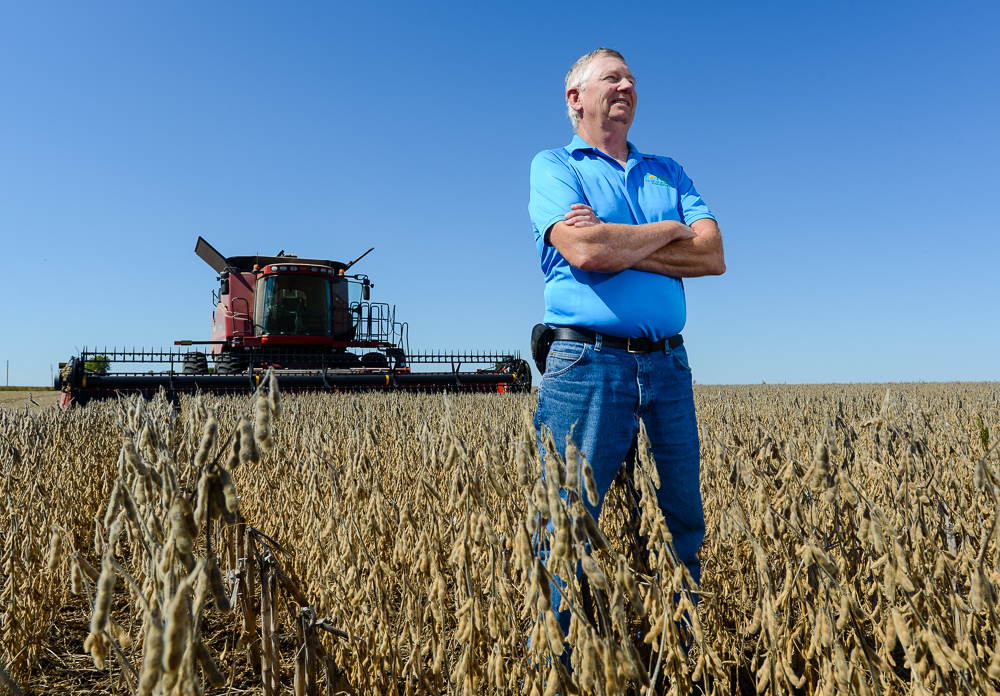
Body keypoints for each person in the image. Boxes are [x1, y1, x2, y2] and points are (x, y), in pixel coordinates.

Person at [527, 48, 726, 609]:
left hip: (667, 364)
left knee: (683, 523)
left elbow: (712, 256)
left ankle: (687, 657)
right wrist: (668, 232)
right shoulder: (554, 167)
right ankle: (560, 667)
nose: (627, 87)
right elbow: (585, 251)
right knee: (563, 530)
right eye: (612, 78)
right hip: (587, 365)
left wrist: (621, 241)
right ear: (577, 98)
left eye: (632, 80)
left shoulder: (669, 171)